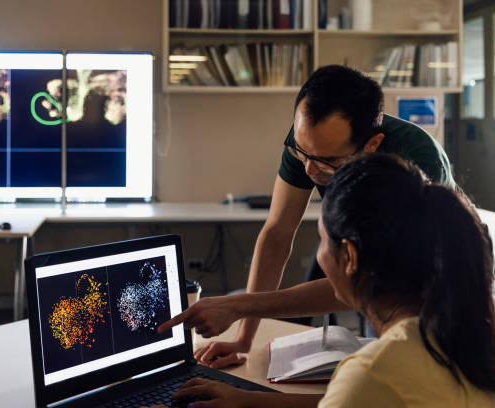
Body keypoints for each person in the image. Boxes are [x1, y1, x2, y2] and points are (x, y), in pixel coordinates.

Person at [158, 65, 456, 369]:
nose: (310, 171)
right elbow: (276, 235)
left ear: (371, 146)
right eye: (302, 153)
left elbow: (370, 281)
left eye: (327, 161)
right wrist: (244, 339)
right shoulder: (310, 144)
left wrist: (236, 305)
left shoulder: (415, 160)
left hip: (439, 287)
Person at [151, 153, 495, 407]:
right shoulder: (463, 335)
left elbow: (364, 393)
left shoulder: (374, 375)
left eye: (321, 240)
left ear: (350, 257)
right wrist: (248, 401)